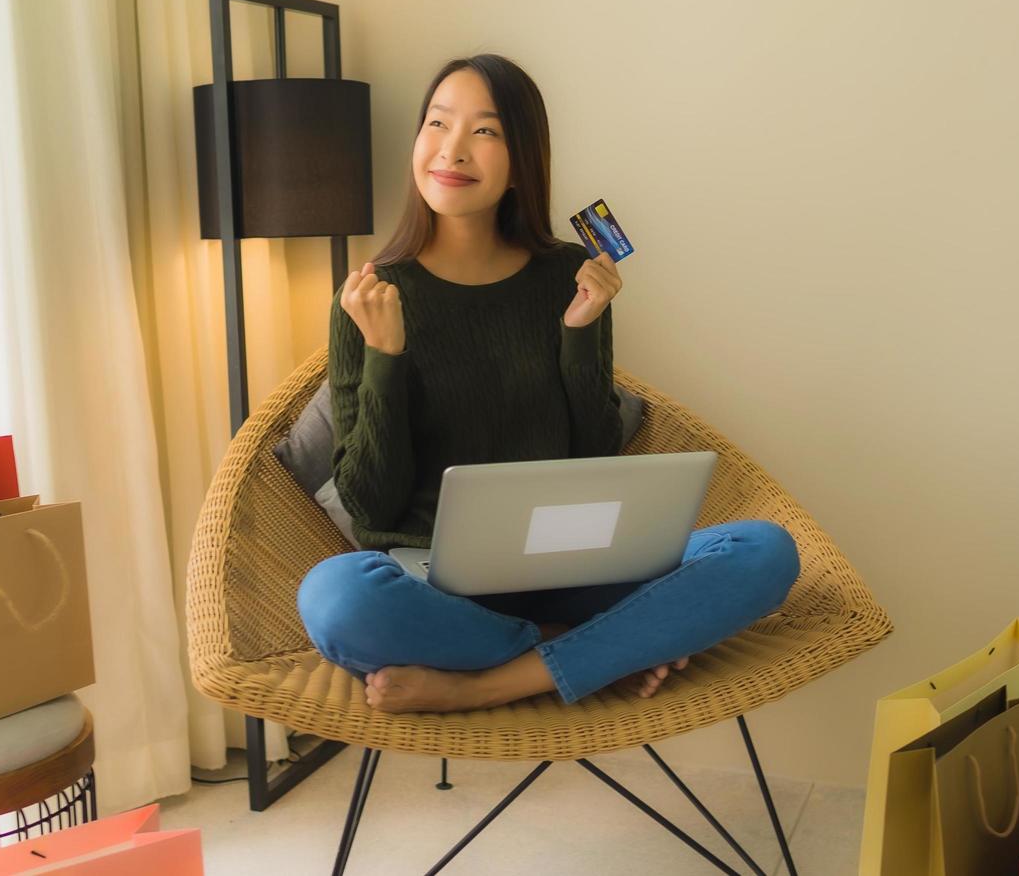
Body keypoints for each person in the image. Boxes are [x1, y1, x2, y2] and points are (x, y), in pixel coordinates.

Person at [296, 54, 800, 714]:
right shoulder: (369, 296)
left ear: (521, 160)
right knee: (336, 599)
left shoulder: (568, 275)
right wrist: (386, 355)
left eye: (485, 131)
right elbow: (372, 506)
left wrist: (579, 332)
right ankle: (595, 649)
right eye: (438, 123)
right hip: (437, 589)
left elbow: (595, 455)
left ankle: (492, 681)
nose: (452, 149)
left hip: (574, 563)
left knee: (765, 550)